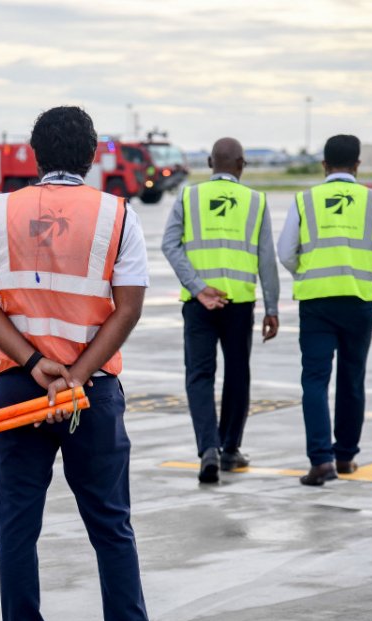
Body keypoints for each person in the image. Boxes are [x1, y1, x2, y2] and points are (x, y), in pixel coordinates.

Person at [0, 106, 151, 621]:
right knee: (112, 527)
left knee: (17, 530)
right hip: (89, 392)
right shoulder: (117, 214)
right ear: (92, 155)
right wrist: (77, 374)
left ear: (35, 153)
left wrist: (31, 363)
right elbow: (128, 307)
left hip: (18, 388)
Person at [277, 134, 372, 486]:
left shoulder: (305, 200)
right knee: (352, 378)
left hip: (316, 301)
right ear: (358, 165)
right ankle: (346, 456)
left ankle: (321, 461)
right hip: (358, 298)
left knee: (315, 381)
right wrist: (364, 267)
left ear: (324, 164)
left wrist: (307, 271)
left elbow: (286, 251)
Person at [162, 137, 280, 484]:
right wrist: (272, 307)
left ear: (211, 162)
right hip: (239, 303)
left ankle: (207, 449)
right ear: (242, 165)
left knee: (199, 376)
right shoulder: (256, 201)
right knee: (237, 373)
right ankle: (230, 449)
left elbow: (169, 245)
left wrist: (198, 288)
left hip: (199, 305)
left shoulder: (188, 196)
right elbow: (266, 260)